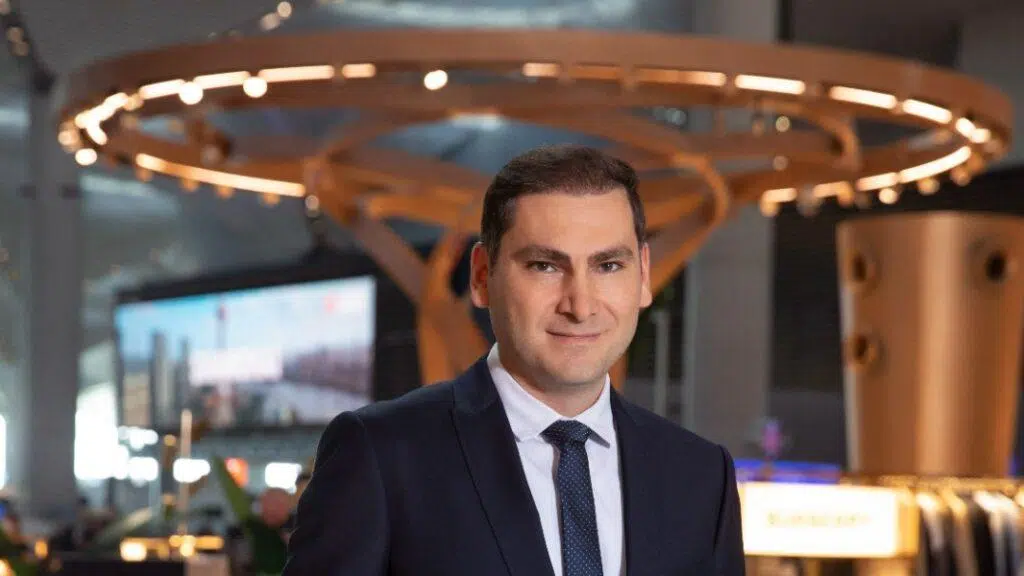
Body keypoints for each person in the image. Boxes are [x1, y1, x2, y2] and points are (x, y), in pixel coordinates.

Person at [284, 144, 745, 575]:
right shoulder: (383, 455)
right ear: (483, 276)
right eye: (545, 265)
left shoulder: (702, 478)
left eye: (608, 266)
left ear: (643, 275)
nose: (580, 305)